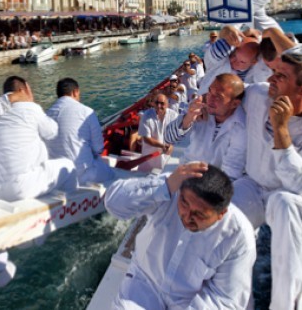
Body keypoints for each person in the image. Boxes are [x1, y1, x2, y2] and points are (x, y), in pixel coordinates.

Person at [231, 44, 302, 309]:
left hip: (301, 196)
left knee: (284, 204)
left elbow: (299, 183)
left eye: (281, 76)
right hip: (256, 183)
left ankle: (284, 304)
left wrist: (282, 129)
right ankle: (234, 301)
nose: (270, 78)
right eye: (274, 71)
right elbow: (226, 90)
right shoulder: (259, 94)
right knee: (224, 213)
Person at [104, 163, 255, 309]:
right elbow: (113, 203)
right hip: (145, 282)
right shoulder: (172, 188)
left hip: (191, 300)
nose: (187, 217)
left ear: (221, 214)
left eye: (199, 214)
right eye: (184, 203)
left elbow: (223, 299)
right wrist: (165, 185)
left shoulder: (239, 237)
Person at [0, 76, 76, 201]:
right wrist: (33, 105)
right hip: (21, 187)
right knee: (68, 165)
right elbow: (52, 132)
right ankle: (72, 208)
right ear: (25, 89)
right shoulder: (30, 108)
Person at [166, 73, 247, 180]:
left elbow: (231, 172)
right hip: (184, 173)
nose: (210, 99)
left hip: (212, 184)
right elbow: (169, 138)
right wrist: (188, 117)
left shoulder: (240, 127)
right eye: (209, 91)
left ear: (235, 104)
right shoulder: (199, 108)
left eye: (218, 96)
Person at [45, 78, 116, 184]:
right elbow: (99, 148)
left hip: (54, 177)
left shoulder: (47, 114)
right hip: (82, 175)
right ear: (75, 92)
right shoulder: (86, 112)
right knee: (112, 175)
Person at [136, 93, 177, 172]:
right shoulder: (146, 116)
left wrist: (171, 145)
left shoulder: (174, 116)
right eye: (157, 103)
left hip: (166, 158)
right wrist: (163, 146)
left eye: (162, 103)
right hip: (149, 158)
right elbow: (146, 139)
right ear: (153, 104)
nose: (159, 106)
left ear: (167, 104)